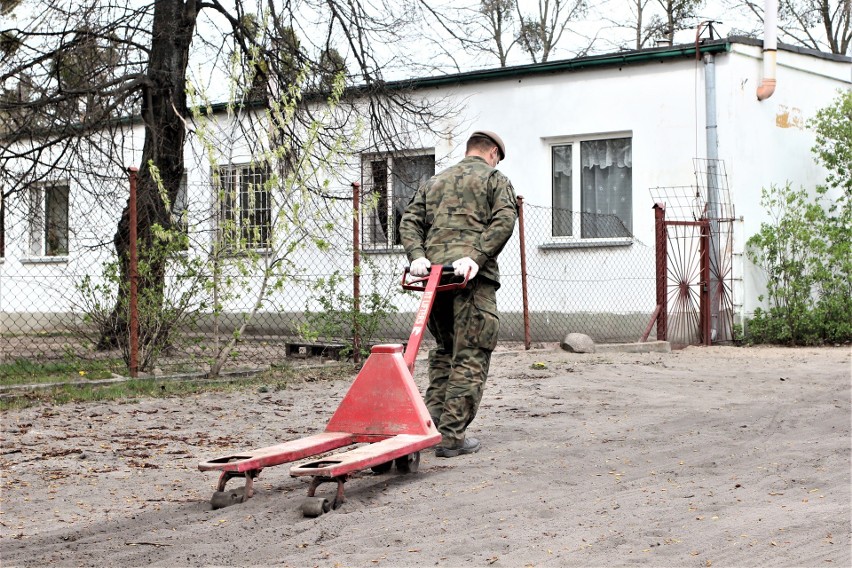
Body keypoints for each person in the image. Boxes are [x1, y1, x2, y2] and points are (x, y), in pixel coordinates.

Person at [399, 130, 518, 458]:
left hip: (434, 279)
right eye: (497, 156)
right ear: (492, 152)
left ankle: (432, 426)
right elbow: (505, 220)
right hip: (471, 280)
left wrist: (418, 256)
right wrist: (478, 255)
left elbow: (409, 221)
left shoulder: (434, 182)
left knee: (444, 351)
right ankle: (451, 436)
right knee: (471, 351)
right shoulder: (495, 179)